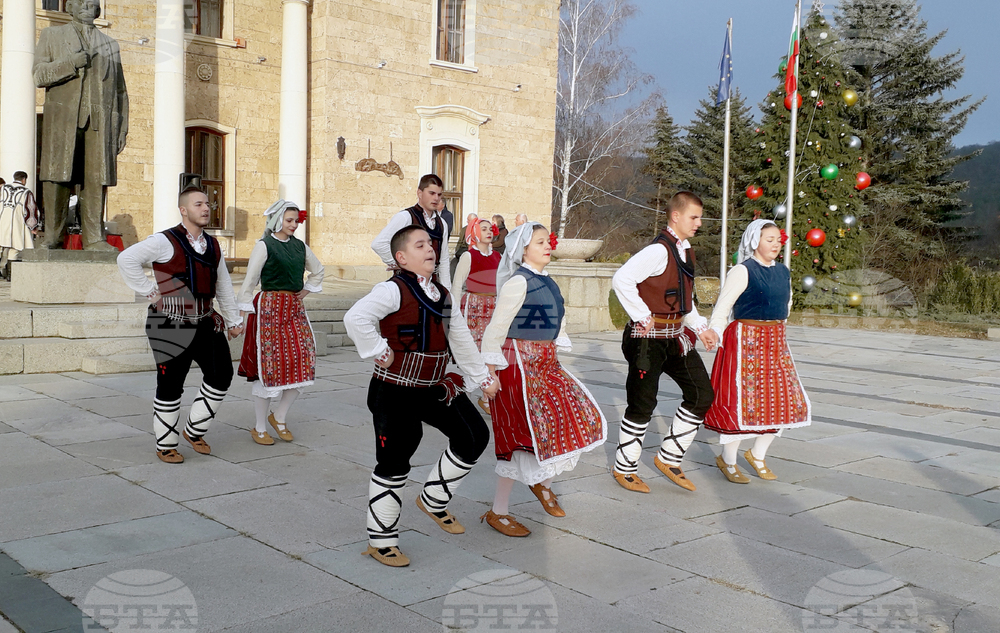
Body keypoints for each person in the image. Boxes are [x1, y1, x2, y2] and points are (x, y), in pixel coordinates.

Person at [344, 225, 499, 568]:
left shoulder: (443, 294)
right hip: (395, 390)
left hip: (434, 386)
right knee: (395, 460)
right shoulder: (392, 290)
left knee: (474, 435)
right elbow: (356, 318)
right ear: (401, 257)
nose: (430, 249)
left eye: (430, 243)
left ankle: (433, 498)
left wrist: (481, 378)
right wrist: (376, 348)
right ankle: (381, 540)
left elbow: (459, 338)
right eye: (420, 245)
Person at [479, 223, 607, 537]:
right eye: (540, 242)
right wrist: (489, 376)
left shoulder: (548, 282)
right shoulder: (517, 283)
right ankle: (499, 511)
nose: (547, 246)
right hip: (518, 365)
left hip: (546, 363)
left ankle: (542, 484)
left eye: (547, 241)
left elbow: (556, 319)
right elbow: (494, 331)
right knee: (519, 439)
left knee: (577, 420)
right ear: (523, 249)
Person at [117, 188, 244, 464]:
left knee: (221, 374)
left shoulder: (213, 245)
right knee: (171, 383)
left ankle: (194, 430)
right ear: (183, 210)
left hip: (205, 320)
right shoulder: (164, 240)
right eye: (198, 204)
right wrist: (151, 292)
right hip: (169, 323)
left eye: (208, 204)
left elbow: (222, 284)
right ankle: (166, 444)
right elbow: (125, 259)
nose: (206, 208)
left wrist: (233, 320)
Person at [609, 191, 718, 494]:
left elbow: (683, 297)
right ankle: (625, 467)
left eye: (699, 217)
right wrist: (641, 315)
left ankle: (668, 458)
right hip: (647, 341)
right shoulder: (658, 251)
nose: (698, 222)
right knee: (643, 403)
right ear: (676, 216)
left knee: (701, 395)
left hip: (676, 338)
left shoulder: (685, 250)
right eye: (694, 217)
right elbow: (622, 279)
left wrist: (700, 326)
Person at [703, 220, 811, 483]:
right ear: (755, 241)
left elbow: (786, 303)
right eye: (769, 239)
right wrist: (715, 332)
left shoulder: (783, 271)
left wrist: (780, 331)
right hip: (745, 341)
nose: (775, 244)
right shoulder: (742, 270)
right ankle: (728, 460)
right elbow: (723, 306)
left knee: (784, 400)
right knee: (742, 402)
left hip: (774, 341)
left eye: (778, 239)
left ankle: (757, 454)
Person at [34, 0, 128, 251]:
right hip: (63, 119)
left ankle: (95, 238)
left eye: (92, 3)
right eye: (81, 3)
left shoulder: (111, 45)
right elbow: (39, 75)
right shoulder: (52, 35)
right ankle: (52, 236)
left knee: (96, 178)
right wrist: (71, 63)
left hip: (100, 122)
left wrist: (121, 128)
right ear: (70, 8)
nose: (88, 7)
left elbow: (120, 92)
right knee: (57, 176)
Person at [236, 200, 325, 445]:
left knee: (304, 360)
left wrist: (306, 291)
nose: (294, 225)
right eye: (289, 220)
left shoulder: (300, 247)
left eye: (296, 220)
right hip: (269, 310)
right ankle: (260, 426)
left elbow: (318, 270)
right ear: (277, 220)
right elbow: (250, 282)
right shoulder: (265, 246)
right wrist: (240, 317)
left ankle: (280, 416)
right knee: (269, 368)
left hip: (294, 308)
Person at [452, 218, 502, 413]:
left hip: (494, 305)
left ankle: (487, 396)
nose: (489, 232)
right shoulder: (469, 256)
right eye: (484, 229)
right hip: (474, 307)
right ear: (475, 232)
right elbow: (457, 284)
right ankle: (472, 394)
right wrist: (454, 313)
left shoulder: (498, 256)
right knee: (475, 351)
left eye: (490, 229)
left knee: (492, 350)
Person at [371, 174, 451, 290]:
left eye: (439, 194)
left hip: (431, 284)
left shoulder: (441, 223)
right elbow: (379, 244)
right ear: (419, 193)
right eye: (431, 193)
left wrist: (447, 292)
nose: (436, 198)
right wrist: (401, 263)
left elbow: (443, 260)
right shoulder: (406, 217)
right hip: (408, 282)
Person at [0, 172, 40, 278]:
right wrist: (33, 227)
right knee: (14, 247)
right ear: (24, 180)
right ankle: (10, 275)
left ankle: (4, 271)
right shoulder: (26, 192)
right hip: (16, 222)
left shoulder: (3, 188)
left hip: (2, 219)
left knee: (1, 245)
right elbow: (31, 209)